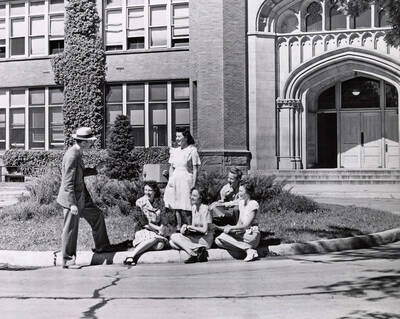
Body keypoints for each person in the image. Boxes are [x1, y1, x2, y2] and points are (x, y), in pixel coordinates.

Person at [57, 127, 110, 269]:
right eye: (90, 142)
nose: (91, 144)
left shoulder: (77, 152)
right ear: (84, 142)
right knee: (70, 229)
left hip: (81, 197)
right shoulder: (72, 155)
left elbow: (78, 174)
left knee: (97, 215)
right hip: (72, 198)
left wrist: (95, 169)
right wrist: (72, 204)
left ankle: (102, 246)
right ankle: (67, 260)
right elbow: (68, 181)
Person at [123, 182, 171, 266]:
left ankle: (143, 246)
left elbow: (164, 218)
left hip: (157, 231)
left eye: (150, 190)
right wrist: (158, 229)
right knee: (155, 239)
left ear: (155, 191)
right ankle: (131, 256)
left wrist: (162, 228)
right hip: (143, 229)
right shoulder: (139, 202)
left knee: (160, 245)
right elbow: (144, 223)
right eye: (145, 190)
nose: (147, 192)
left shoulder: (160, 202)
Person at [214, 181, 261, 262]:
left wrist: (231, 227)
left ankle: (247, 249)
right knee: (218, 240)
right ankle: (248, 250)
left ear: (248, 193)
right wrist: (233, 230)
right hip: (242, 234)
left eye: (241, 191)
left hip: (251, 235)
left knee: (223, 237)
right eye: (239, 190)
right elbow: (239, 223)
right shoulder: (241, 203)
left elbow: (246, 225)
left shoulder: (253, 204)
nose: (238, 193)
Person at [164, 129, 201, 231]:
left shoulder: (192, 150)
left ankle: (191, 228)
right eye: (176, 137)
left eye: (179, 137)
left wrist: (193, 184)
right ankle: (178, 228)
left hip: (186, 180)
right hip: (175, 179)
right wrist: (170, 181)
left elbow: (195, 169)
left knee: (187, 205)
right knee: (176, 205)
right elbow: (171, 167)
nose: (177, 139)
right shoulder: (174, 151)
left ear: (185, 138)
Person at [169, 188, 213, 264]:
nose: (191, 197)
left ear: (201, 198)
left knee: (175, 241)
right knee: (172, 241)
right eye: (191, 195)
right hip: (197, 237)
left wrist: (191, 227)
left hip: (206, 239)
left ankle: (192, 253)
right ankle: (198, 250)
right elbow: (195, 229)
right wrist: (185, 229)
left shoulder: (205, 209)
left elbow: (204, 230)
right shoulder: (194, 208)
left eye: (194, 196)